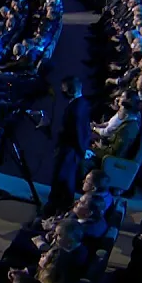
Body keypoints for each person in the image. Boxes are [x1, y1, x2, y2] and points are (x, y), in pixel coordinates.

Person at [49, 76, 92, 213]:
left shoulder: (75, 108)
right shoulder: (83, 103)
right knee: (66, 179)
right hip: (73, 149)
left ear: (71, 90)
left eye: (64, 88)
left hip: (69, 150)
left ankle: (55, 209)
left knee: (62, 180)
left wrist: (82, 150)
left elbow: (77, 131)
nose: (62, 91)